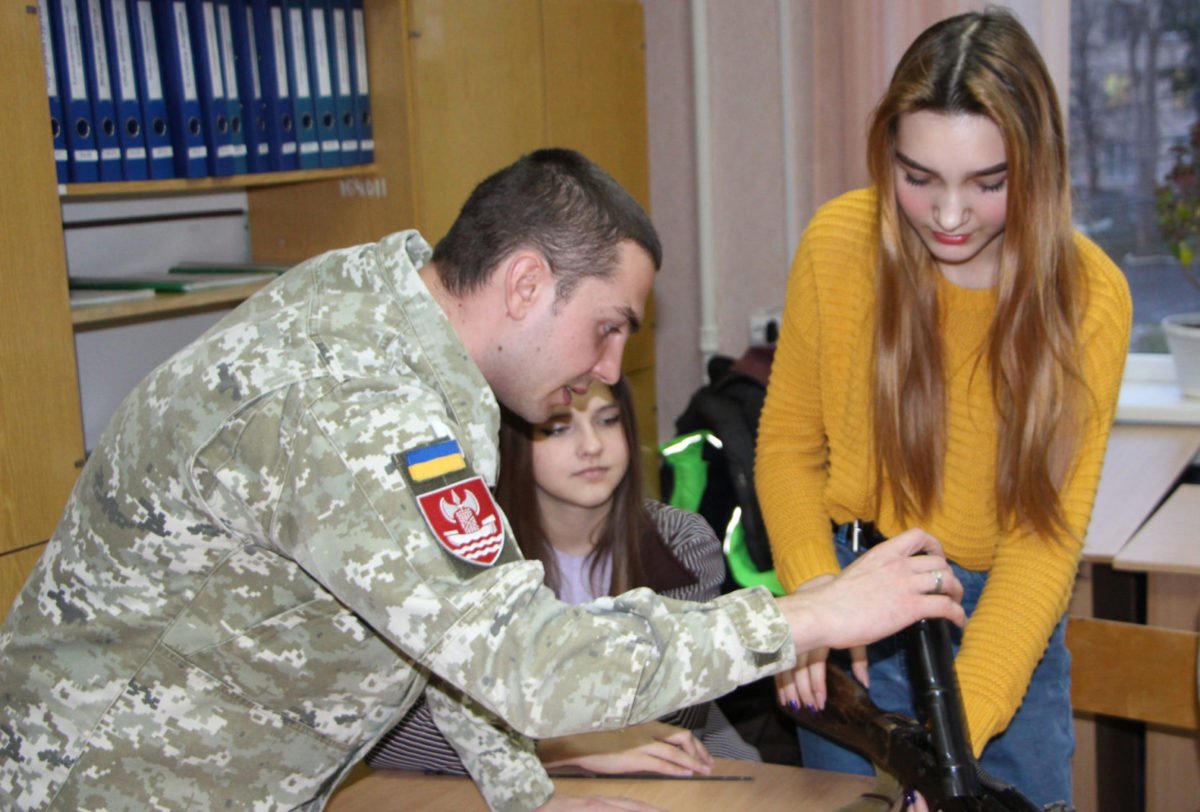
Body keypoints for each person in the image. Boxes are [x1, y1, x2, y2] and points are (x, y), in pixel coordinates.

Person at [0, 148, 964, 812]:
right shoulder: (358, 406)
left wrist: (526, 792)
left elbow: (451, 634)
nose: (610, 364)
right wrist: (807, 616)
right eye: (611, 324)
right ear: (524, 285)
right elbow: (527, 662)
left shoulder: (408, 332)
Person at [755, 10, 1132, 808]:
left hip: (1000, 626)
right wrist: (817, 606)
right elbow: (790, 446)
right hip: (849, 591)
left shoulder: (1089, 296)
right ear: (886, 153)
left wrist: (952, 752)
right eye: (918, 177)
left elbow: (1042, 542)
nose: (950, 215)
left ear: (1036, 167)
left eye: (988, 183)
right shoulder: (838, 243)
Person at [366, 377, 759, 777]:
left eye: (608, 421)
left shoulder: (679, 541)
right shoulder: (464, 550)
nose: (592, 445)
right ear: (510, 440)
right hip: (511, 775)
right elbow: (390, 733)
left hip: (691, 763)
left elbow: (672, 716)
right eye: (557, 428)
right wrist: (558, 748)